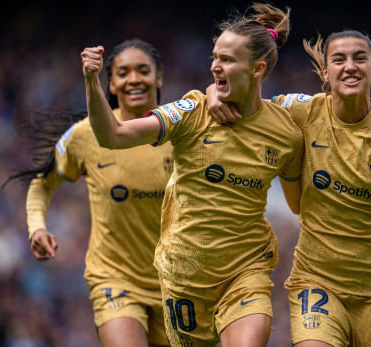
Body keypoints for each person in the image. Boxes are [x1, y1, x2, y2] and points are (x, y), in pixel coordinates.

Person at [80, 4, 303, 346]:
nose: (215, 65)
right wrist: (92, 81)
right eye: (215, 56)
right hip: (184, 277)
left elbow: (300, 203)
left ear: (258, 68)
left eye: (227, 59)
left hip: (246, 273)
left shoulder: (286, 132)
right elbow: (113, 135)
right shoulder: (193, 111)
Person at [207, 30, 371, 346]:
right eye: (339, 59)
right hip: (317, 278)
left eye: (359, 58)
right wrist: (213, 91)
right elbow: (248, 99)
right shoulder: (303, 110)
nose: (350, 66)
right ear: (324, 71)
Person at [6, 39, 172, 347]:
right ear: (110, 82)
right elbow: (42, 183)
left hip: (177, 285)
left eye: (142, 70)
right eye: (122, 72)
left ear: (159, 77)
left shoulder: (182, 131)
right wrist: (36, 227)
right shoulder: (85, 135)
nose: (133, 79)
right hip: (115, 280)